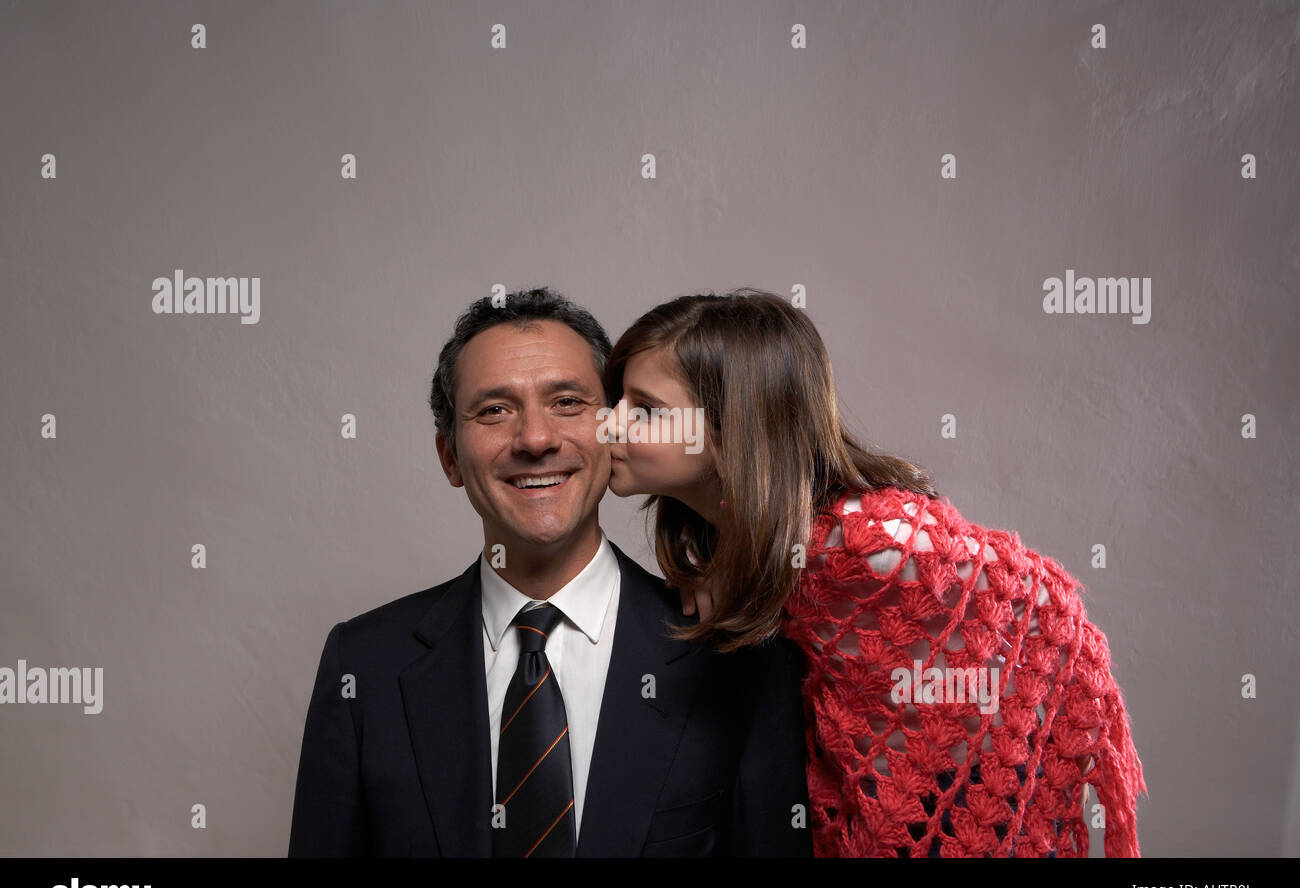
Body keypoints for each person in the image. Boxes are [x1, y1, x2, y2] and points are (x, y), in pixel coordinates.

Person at [602, 288, 1147, 857]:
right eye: (617, 400)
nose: (608, 424)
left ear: (731, 426)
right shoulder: (744, 544)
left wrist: (983, 768)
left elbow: (1041, 604)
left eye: (645, 410)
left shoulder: (864, 541)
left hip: (947, 814)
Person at [287, 287, 811, 857]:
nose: (535, 439)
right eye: (494, 410)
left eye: (567, 402)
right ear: (449, 457)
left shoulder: (735, 651)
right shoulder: (364, 664)